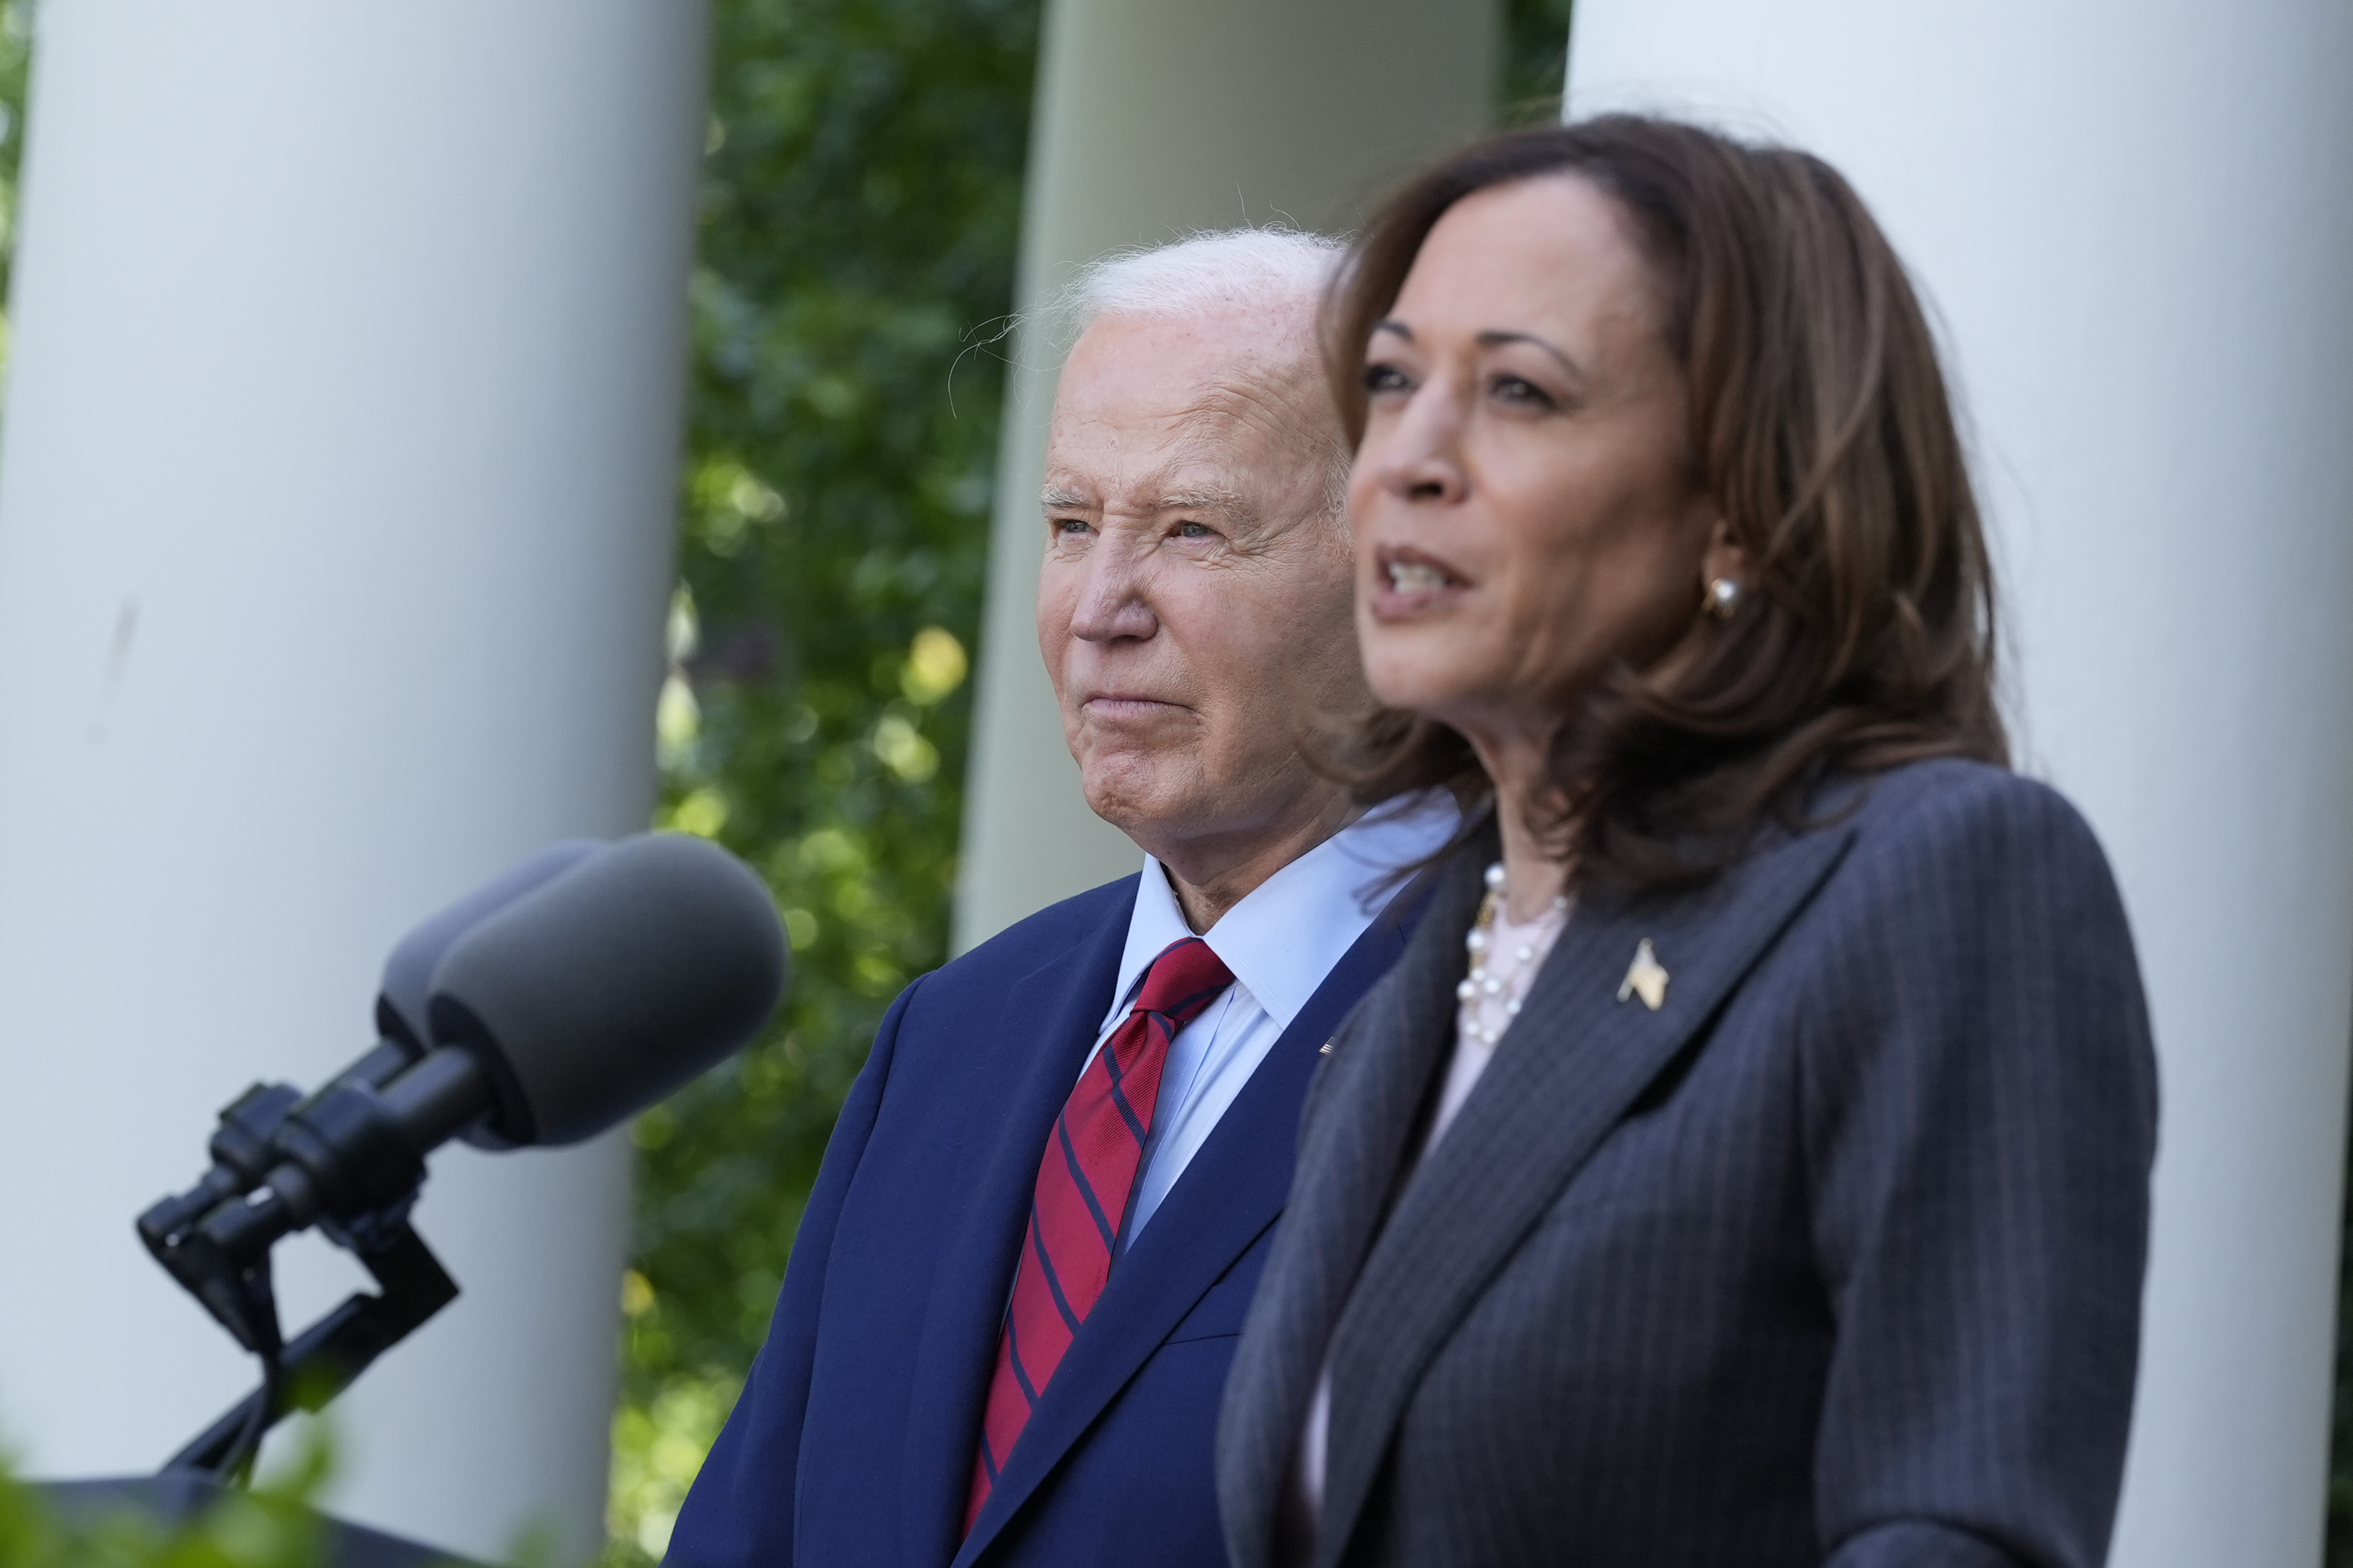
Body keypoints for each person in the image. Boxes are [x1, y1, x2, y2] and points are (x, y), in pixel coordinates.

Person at [1216, 117, 2158, 1568]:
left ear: (1736, 505)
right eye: (1395, 381)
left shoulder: (1939, 879)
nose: (1408, 456)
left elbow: (1964, 1534)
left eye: (1519, 392)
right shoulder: (1417, 973)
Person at [665, 230, 1454, 1568]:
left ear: (1406, 570)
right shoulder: (952, 1036)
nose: (1100, 607)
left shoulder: (1535, 1027)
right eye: (1072, 524)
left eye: (1193, 529)